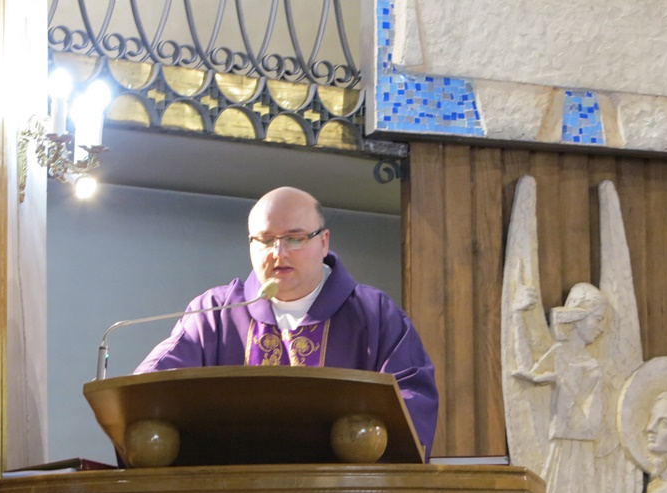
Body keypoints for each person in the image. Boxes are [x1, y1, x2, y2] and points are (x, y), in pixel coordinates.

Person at [135, 186, 439, 459]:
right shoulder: (214, 314)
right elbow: (149, 390)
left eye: (295, 238)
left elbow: (411, 399)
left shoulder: (375, 314)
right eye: (266, 240)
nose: (279, 252)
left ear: (323, 242)